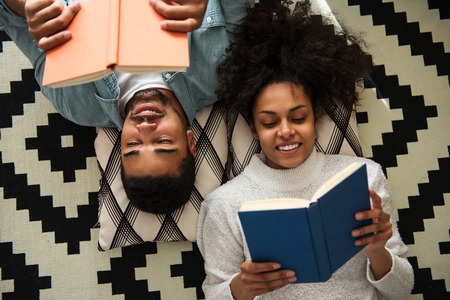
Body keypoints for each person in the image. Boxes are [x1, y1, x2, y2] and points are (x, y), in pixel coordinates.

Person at [197, 2, 414, 299]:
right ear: (253, 130)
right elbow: (214, 293)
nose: (286, 130)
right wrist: (240, 288)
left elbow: (403, 291)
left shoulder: (364, 177)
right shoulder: (224, 205)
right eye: (270, 122)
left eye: (298, 117)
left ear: (316, 119)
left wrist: (378, 251)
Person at [0, 0, 255, 214]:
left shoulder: (76, 104)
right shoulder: (224, 73)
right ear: (190, 142)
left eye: (133, 145)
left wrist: (27, 7)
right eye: (163, 141)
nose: (145, 128)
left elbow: (13, 17)